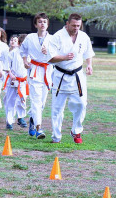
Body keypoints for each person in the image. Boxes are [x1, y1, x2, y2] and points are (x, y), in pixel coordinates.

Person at [47, 13, 95, 144]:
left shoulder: (83, 36)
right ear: (67, 24)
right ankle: (56, 136)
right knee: (57, 108)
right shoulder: (57, 37)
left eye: (78, 26)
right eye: (73, 25)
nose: (76, 28)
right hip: (60, 76)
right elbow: (50, 58)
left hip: (77, 76)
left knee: (81, 104)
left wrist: (89, 65)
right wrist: (64, 57)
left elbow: (88, 53)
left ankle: (76, 130)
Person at [20, 12, 53, 139]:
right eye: (40, 22)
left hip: (47, 72)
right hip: (34, 71)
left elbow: (58, 54)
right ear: (35, 24)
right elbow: (23, 51)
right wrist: (24, 61)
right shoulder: (30, 38)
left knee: (42, 103)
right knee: (36, 101)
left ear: (47, 24)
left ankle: (32, 121)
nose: (42, 24)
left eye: (44, 22)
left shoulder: (52, 39)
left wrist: (49, 51)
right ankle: (39, 128)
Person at [3, 34, 28, 130]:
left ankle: (21, 117)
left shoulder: (29, 54)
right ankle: (9, 121)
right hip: (13, 80)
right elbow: (6, 65)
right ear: (20, 43)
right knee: (11, 101)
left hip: (23, 81)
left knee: (22, 100)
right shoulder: (13, 53)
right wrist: (10, 74)